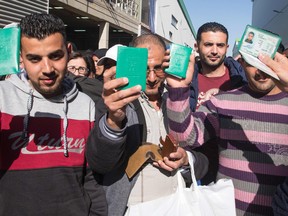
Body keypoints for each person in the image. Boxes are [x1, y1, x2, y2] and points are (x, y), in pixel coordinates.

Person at [0, 13, 109, 216]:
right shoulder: (2, 98)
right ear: (20, 58)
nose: (47, 68)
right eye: (35, 59)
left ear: (68, 52)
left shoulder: (85, 104)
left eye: (55, 56)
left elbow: (90, 178)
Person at [88, 34, 208, 216]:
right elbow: (101, 163)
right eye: (144, 69)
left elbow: (203, 162)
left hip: (176, 207)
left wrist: (185, 161)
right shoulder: (116, 104)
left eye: (158, 68)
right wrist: (114, 120)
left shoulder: (177, 103)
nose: (152, 78)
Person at [165, 42, 288, 216]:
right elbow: (186, 137)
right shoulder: (222, 102)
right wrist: (178, 90)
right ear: (243, 63)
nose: (261, 70)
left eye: (268, 61)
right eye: (254, 62)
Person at [189, 22, 247, 184]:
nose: (214, 51)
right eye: (208, 44)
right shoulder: (185, 79)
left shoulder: (241, 80)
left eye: (220, 45)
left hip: (236, 164)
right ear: (197, 46)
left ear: (227, 47)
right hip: (197, 165)